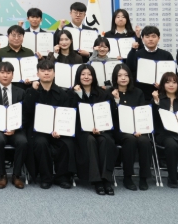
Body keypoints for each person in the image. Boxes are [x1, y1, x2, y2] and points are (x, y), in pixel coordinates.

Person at [23, 59, 76, 189]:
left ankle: (62, 177)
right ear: (38, 74)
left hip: (58, 130)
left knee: (66, 143)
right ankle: (45, 177)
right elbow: (27, 112)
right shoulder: (31, 91)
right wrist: (33, 91)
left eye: (49, 70)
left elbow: (66, 114)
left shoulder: (63, 93)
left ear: (54, 73)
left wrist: (59, 129)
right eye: (43, 70)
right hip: (38, 131)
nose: (46, 73)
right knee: (40, 143)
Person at [71, 64, 116, 195]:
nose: (86, 77)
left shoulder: (103, 93)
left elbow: (110, 114)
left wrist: (101, 128)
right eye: (83, 74)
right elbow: (73, 114)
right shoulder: (71, 93)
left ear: (94, 76)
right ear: (78, 76)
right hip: (82, 131)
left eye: (89, 74)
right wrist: (79, 96)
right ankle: (97, 181)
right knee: (90, 140)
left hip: (101, 129)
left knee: (105, 141)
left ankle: (106, 179)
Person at [106, 63, 152, 191]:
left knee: (145, 141)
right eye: (120, 75)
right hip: (119, 130)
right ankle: (128, 176)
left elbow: (142, 112)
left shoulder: (138, 92)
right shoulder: (109, 92)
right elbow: (110, 116)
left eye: (126, 75)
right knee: (130, 140)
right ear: (115, 78)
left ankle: (144, 177)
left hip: (138, 128)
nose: (123, 78)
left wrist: (138, 129)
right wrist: (116, 101)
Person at [0, 61, 29, 189]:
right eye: (2, 72)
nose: (5, 75)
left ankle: (16, 175)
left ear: (12, 75)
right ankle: (2, 174)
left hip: (15, 128)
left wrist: (15, 127)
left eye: (8, 73)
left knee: (23, 142)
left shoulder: (21, 92)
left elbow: (25, 114)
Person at [126, 26, 174, 101]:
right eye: (147, 37)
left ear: (159, 38)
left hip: (162, 95)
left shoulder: (166, 55)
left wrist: (163, 86)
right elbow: (130, 70)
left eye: (153, 36)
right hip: (141, 95)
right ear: (142, 39)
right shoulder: (136, 54)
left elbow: (173, 76)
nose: (150, 39)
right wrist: (133, 50)